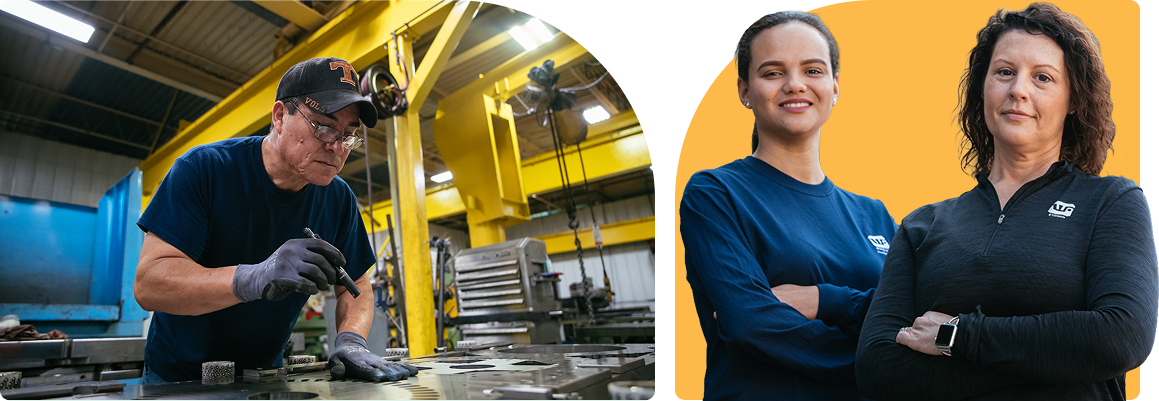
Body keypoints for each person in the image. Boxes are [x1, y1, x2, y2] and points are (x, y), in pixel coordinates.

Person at [855, 4, 1155, 400]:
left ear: (1074, 100)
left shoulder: (1112, 203)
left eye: (1042, 77)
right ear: (983, 88)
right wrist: (1056, 365)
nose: (1019, 90)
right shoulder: (922, 226)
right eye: (1004, 72)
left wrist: (959, 336)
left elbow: (1122, 336)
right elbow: (877, 368)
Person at [134, 57, 418, 384]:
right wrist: (255, 277)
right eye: (324, 127)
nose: (337, 147)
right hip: (177, 379)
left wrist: (352, 340)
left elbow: (357, 288)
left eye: (348, 135)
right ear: (281, 116)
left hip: (265, 377)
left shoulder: (338, 198)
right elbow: (150, 283)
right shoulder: (204, 170)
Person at [680, 10, 897, 400]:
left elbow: (906, 318)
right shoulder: (715, 194)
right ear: (745, 91)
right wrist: (881, 358)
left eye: (813, 71)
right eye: (773, 72)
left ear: (834, 87)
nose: (795, 85)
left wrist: (823, 299)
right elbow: (751, 324)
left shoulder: (875, 215)